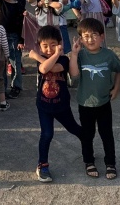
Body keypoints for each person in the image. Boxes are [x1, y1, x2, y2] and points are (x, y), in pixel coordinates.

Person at [27, 25, 83, 184]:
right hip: (44, 105)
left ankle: (87, 144)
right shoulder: (42, 59)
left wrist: (39, 56)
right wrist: (40, 57)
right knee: (47, 134)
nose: (49, 49)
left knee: (74, 128)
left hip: (61, 105)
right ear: (39, 46)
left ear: (60, 44)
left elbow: (53, 67)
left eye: (53, 45)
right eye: (45, 46)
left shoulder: (63, 59)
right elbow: (44, 68)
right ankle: (42, 165)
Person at [69, 17, 120, 180]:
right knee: (87, 134)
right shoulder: (80, 55)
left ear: (102, 37)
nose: (90, 39)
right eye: (86, 36)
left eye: (94, 35)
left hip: (104, 102)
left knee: (107, 134)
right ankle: (89, 161)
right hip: (85, 103)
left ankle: (110, 163)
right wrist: (74, 54)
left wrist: (116, 88)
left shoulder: (108, 55)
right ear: (80, 38)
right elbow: (74, 76)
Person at [0, 0, 25, 99]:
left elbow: (22, 25)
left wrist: (21, 40)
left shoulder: (18, 5)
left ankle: (16, 87)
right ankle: (2, 88)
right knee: (1, 64)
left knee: (15, 62)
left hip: (14, 37)